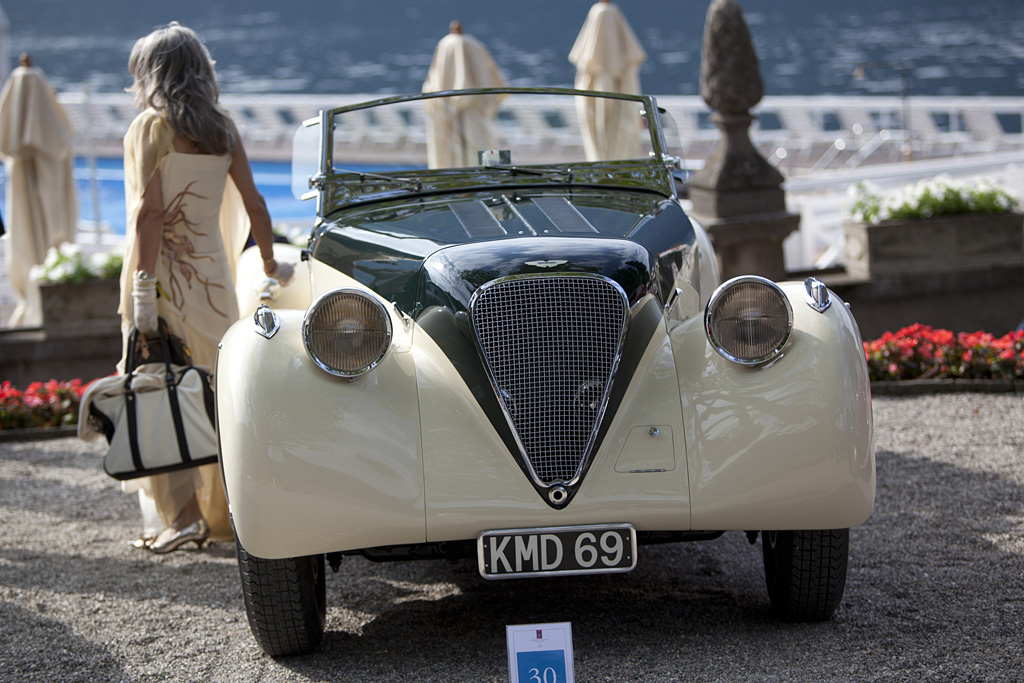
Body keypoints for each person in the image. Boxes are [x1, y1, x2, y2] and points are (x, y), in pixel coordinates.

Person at [119, 22, 292, 553]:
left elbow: (149, 215)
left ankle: (185, 516)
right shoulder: (223, 129)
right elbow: (256, 204)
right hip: (214, 283)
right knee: (216, 395)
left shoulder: (150, 127)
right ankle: (232, 511)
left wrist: (144, 292)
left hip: (163, 281)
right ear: (201, 69)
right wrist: (268, 263)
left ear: (152, 73)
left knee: (158, 386)